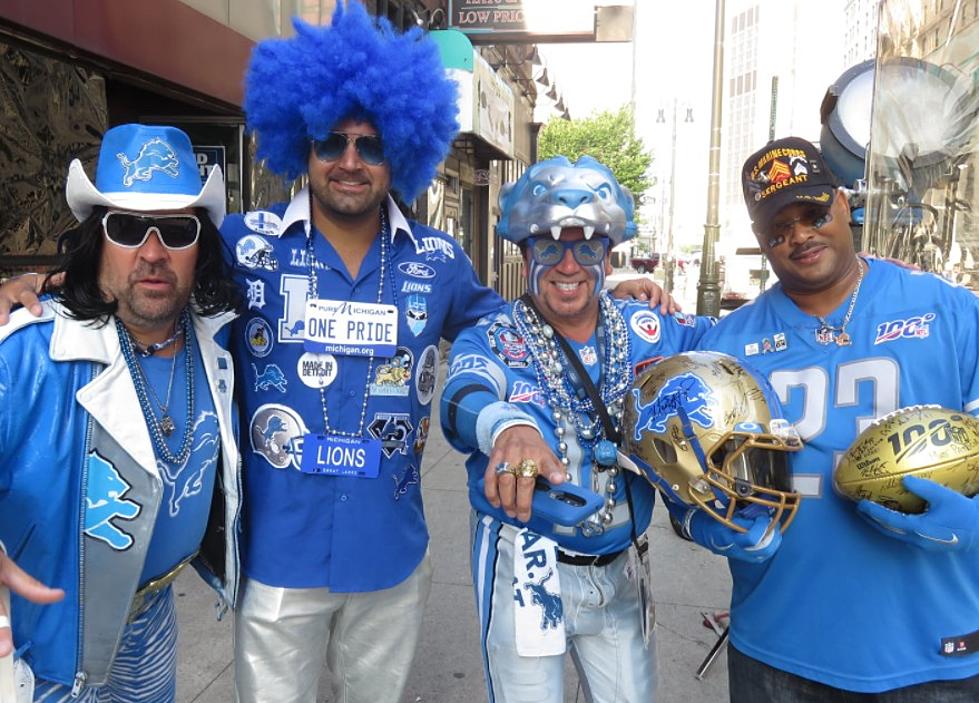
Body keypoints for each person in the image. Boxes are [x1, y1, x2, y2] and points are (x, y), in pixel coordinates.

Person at [0, 7, 672, 700]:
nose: (350, 160)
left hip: (389, 553)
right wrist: (40, 282)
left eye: (372, 145)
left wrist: (605, 283)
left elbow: (519, 325)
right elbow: (154, 262)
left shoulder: (437, 261)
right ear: (302, 142)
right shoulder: (245, 243)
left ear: (403, 149)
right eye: (331, 140)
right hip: (276, 559)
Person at [690, 136, 979, 700]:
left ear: (844, 204)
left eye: (814, 212)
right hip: (778, 647)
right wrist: (697, 519)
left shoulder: (950, 311)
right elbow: (689, 469)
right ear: (760, 240)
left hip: (931, 652)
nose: (799, 234)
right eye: (778, 226)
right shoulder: (727, 345)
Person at [439, 155, 714, 701]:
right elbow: (461, 396)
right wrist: (507, 428)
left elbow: (735, 343)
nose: (568, 264)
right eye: (549, 246)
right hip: (527, 563)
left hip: (622, 566)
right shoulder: (494, 337)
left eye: (586, 247)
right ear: (525, 253)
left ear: (607, 253)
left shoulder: (646, 327)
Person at [0, 123, 242, 700]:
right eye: (128, 227)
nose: (152, 252)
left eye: (177, 230)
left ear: (200, 246)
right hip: (50, 641)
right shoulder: (28, 351)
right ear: (96, 240)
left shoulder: (219, 338)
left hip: (154, 616)